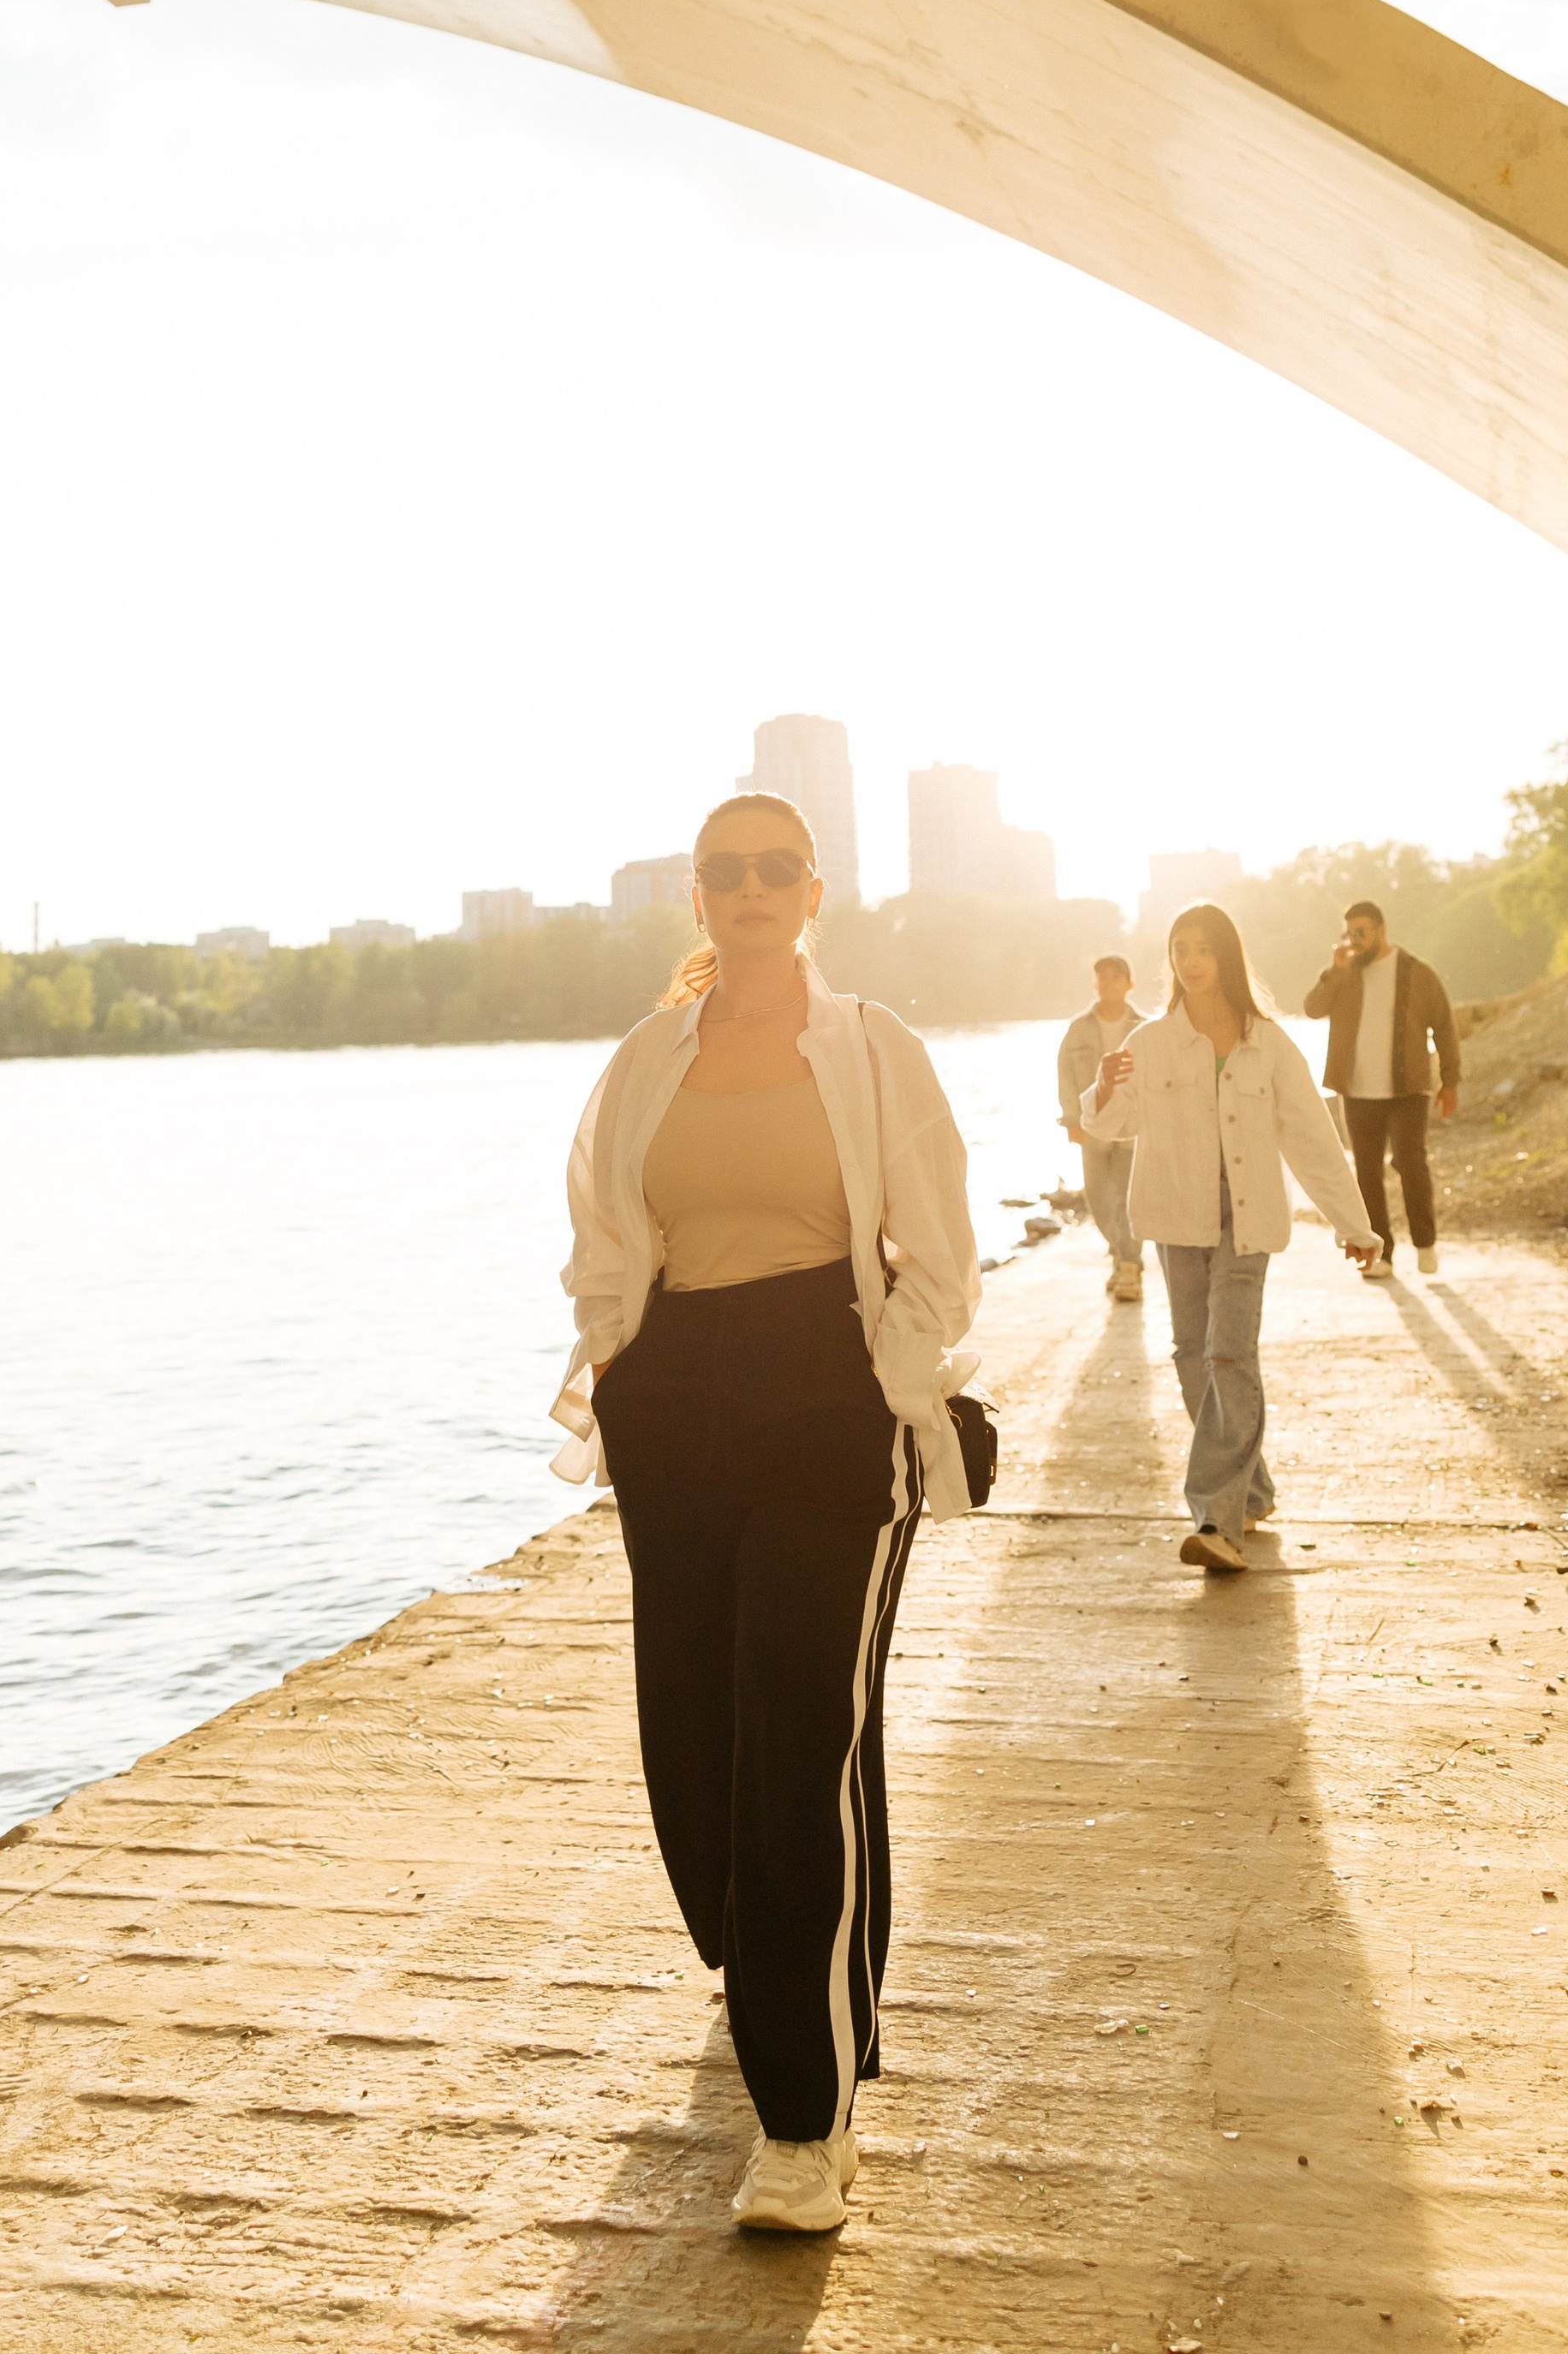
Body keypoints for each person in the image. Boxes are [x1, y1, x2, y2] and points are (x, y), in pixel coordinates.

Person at [549, 791, 981, 2237]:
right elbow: (602, 1228)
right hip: (676, 1401)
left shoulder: (871, 1048)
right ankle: (773, 1966)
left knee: (802, 1734)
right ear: (697, 894)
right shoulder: (647, 1056)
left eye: (773, 869)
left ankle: (805, 2121)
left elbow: (944, 1248)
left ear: (812, 890)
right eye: (724, 870)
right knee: (695, 1738)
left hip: (823, 1395)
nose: (748, 888)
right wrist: (619, 1371)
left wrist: (889, 1383)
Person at [1083, 901, 1378, 1573]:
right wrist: (1099, 1089)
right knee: (1193, 1355)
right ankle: (1255, 1486)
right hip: (1174, 1216)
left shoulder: (1269, 1044)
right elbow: (1108, 1127)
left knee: (1227, 1356)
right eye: (1180, 949)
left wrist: (1353, 1224)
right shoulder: (1150, 1042)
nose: (1190, 962)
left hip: (1246, 1220)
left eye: (1203, 949)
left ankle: (1217, 1517)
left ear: (1227, 958)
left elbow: (1313, 1139)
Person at [1301, 898, 1461, 1277]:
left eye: (1361, 933)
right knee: (1367, 1174)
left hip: (1407, 1089)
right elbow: (1311, 1009)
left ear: (1381, 931)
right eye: (1348, 934)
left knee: (1410, 1163)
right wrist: (1335, 972)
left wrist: (1449, 1081)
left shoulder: (1417, 973)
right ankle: (1383, 1255)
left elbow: (1444, 1027)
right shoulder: (1344, 974)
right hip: (1356, 1091)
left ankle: (1425, 1243)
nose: (1354, 941)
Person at [1058, 953, 1145, 1300]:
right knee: (1097, 1197)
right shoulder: (1078, 1028)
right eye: (1102, 977)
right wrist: (1071, 1121)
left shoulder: (1143, 1026)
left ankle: (1129, 1268)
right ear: (1095, 984)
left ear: (1129, 984)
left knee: (1126, 1198)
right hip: (1091, 1127)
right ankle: (1121, 1255)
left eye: (1116, 977)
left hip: (1130, 1129)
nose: (1109, 983)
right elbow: (1064, 1075)